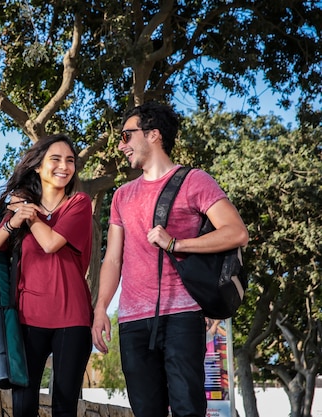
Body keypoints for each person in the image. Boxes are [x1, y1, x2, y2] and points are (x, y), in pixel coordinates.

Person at [91, 102, 249, 417]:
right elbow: (112, 259)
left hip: (182, 315)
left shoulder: (194, 181)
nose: (122, 146)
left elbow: (236, 232)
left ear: (153, 134)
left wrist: (176, 243)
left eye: (126, 135)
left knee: (187, 409)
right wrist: (100, 310)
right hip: (133, 320)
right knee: (146, 411)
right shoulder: (122, 195)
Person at [0, 133, 93, 417]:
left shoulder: (78, 204)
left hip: (72, 319)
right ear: (38, 166)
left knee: (64, 407)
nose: (64, 166)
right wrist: (12, 222)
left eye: (70, 161)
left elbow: (51, 243)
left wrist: (30, 216)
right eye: (55, 159)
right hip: (27, 320)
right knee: (23, 408)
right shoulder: (20, 211)